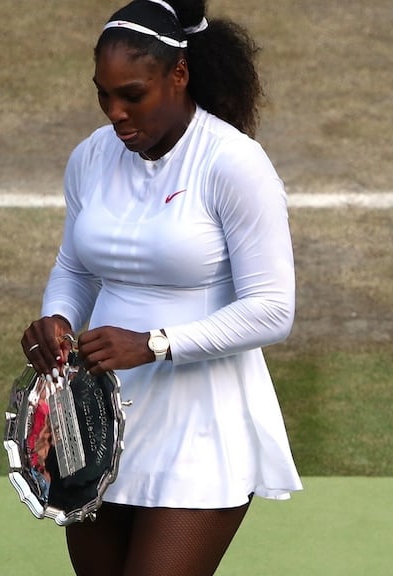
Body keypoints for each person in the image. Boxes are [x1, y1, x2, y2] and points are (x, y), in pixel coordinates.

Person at [20, 0, 302, 573]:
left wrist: (153, 343)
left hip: (201, 425)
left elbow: (273, 310)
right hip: (97, 423)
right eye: (104, 95)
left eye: (132, 94)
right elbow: (75, 268)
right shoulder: (91, 158)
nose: (116, 113)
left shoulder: (234, 164)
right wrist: (57, 321)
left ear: (179, 74)